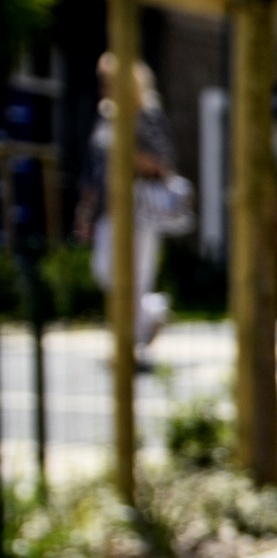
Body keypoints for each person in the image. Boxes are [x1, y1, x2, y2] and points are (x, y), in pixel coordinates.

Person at [75, 54, 185, 361]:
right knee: (104, 272)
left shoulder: (147, 115)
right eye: (101, 81)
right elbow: (93, 170)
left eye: (108, 81)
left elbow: (162, 163)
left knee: (136, 278)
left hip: (140, 211)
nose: (103, 87)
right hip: (109, 210)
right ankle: (152, 313)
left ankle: (128, 348)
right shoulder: (106, 115)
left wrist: (125, 150)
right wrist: (85, 211)